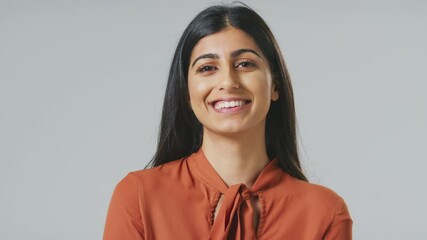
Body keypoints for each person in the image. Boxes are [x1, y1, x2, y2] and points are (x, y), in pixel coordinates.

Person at [103, 3, 352, 240]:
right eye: (207, 68)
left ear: (275, 85)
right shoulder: (138, 197)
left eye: (245, 64)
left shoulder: (325, 213)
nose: (228, 82)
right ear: (186, 92)